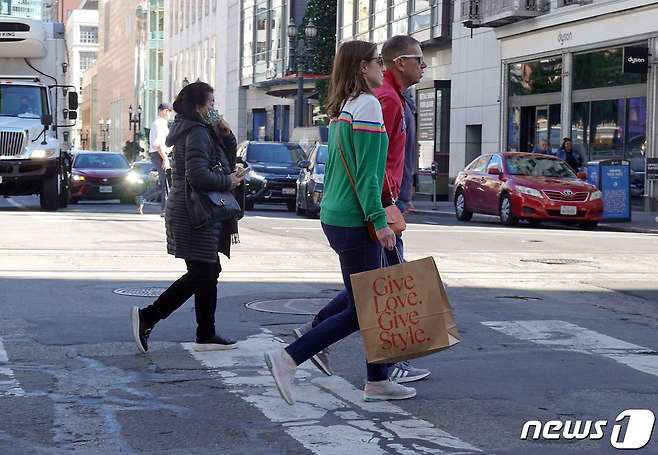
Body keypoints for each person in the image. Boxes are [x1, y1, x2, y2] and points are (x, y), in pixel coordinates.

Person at [265, 40, 414, 405]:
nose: (383, 68)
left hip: (336, 215)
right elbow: (368, 175)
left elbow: (340, 170)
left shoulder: (345, 107)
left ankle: (377, 380)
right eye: (378, 62)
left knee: (366, 298)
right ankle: (290, 357)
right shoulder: (369, 107)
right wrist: (379, 221)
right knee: (365, 308)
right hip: (355, 220)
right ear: (363, 68)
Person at [291, 36, 431, 385]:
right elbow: (370, 168)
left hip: (355, 212)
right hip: (367, 212)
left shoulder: (360, 102)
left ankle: (377, 376)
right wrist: (383, 212)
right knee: (373, 300)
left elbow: (372, 162)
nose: (423, 65)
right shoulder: (376, 101)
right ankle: (296, 353)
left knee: (372, 293)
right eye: (418, 59)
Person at [131, 82, 244, 354]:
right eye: (211, 105)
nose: (214, 109)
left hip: (195, 210)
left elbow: (226, 153)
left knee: (207, 271)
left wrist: (224, 130)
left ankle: (206, 332)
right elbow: (198, 175)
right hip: (193, 212)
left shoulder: (201, 129)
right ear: (198, 107)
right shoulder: (196, 133)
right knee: (203, 271)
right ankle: (149, 316)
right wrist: (228, 181)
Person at [142, 103, 174, 216]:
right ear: (165, 111)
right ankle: (165, 210)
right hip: (160, 154)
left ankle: (142, 198)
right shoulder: (159, 124)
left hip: (158, 153)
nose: (171, 114)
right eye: (170, 111)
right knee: (166, 181)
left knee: (163, 182)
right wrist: (165, 158)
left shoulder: (159, 123)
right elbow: (158, 143)